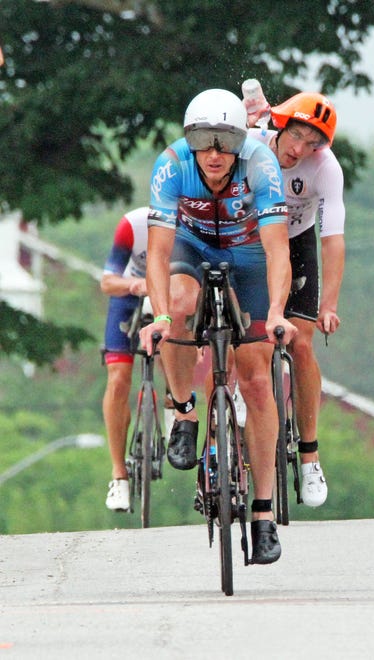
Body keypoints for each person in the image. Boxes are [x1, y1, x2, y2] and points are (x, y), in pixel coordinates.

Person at [139, 88, 296, 565]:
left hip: (248, 252)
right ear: (190, 141)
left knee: (254, 379)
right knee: (179, 304)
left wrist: (275, 313)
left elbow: (277, 252)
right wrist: (161, 316)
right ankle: (184, 411)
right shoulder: (171, 165)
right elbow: (159, 255)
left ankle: (263, 514)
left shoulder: (261, 167)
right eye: (203, 141)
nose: (213, 153)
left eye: (223, 141)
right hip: (191, 244)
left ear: (239, 142)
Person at [244, 88, 346, 508]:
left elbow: (333, 240)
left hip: (297, 242)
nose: (300, 149)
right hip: (250, 240)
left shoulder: (325, 169)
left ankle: (309, 457)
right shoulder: (251, 145)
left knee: (301, 343)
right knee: (246, 341)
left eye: (313, 143)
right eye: (296, 136)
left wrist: (329, 306)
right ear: (280, 124)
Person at [101, 207, 173, 512]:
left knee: (178, 343)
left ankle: (174, 402)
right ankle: (119, 476)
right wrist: (136, 285)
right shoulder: (132, 225)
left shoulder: (185, 224)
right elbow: (108, 282)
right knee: (118, 378)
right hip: (132, 294)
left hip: (170, 297)